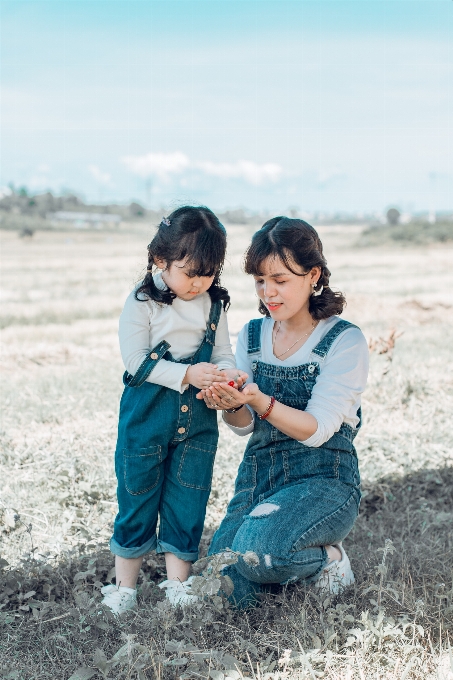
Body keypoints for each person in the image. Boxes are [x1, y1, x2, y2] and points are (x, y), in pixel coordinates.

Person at [199, 217, 369, 608]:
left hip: (324, 478)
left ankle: (330, 558)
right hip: (260, 475)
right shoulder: (253, 336)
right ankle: (286, 559)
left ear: (313, 275)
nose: (267, 292)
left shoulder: (344, 340)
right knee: (220, 589)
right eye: (259, 280)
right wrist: (232, 404)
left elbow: (318, 430)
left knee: (262, 556)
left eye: (280, 279)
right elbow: (243, 427)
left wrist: (260, 401)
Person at [102, 206, 244, 615]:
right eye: (190, 272)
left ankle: (178, 586)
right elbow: (135, 364)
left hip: (198, 422)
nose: (199, 282)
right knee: (137, 497)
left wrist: (227, 373)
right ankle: (124, 589)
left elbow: (222, 352)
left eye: (209, 272)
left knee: (188, 498)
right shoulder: (142, 302)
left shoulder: (213, 303)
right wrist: (186, 374)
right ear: (160, 260)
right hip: (146, 418)